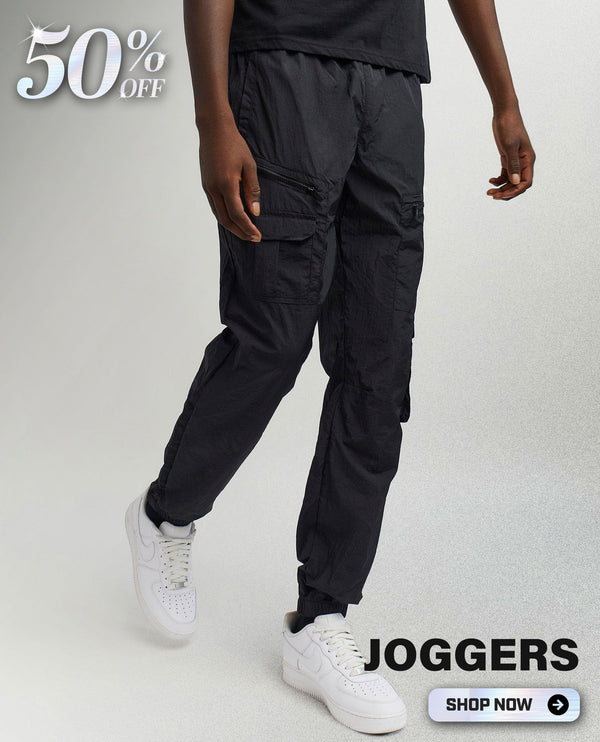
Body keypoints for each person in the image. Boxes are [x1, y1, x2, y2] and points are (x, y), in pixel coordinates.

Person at [125, 0, 535, 733]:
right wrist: (213, 118)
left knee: (378, 366)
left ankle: (321, 618)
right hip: (281, 63)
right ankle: (165, 515)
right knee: (272, 338)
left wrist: (504, 99)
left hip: (392, 78)